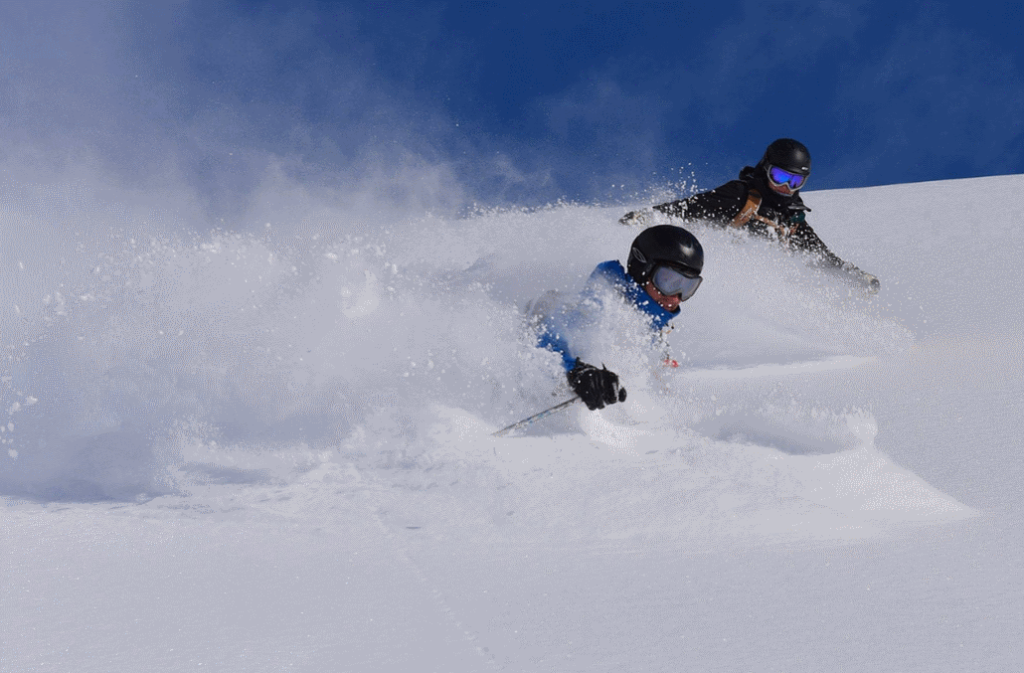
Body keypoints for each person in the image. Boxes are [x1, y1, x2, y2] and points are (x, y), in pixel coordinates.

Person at [619, 138, 880, 293]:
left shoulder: (793, 222)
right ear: (765, 168)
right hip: (716, 282)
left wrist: (854, 276)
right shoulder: (741, 196)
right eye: (780, 176)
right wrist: (646, 217)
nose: (786, 187)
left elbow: (820, 257)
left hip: (768, 290)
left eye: (795, 181)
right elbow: (691, 208)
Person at [532, 224, 704, 411]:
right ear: (643, 269)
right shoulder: (603, 302)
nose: (674, 297)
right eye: (669, 281)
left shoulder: (649, 321)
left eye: (687, 287)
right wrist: (576, 373)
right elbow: (544, 342)